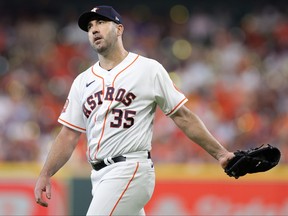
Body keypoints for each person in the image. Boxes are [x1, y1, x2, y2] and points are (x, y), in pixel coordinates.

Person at [34, 5, 235, 215]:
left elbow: (182, 116)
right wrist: (45, 174)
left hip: (130, 168)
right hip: (100, 177)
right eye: (90, 26)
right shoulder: (82, 81)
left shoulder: (147, 69)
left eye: (101, 22)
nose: (94, 29)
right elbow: (68, 135)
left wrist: (220, 153)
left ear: (119, 29)